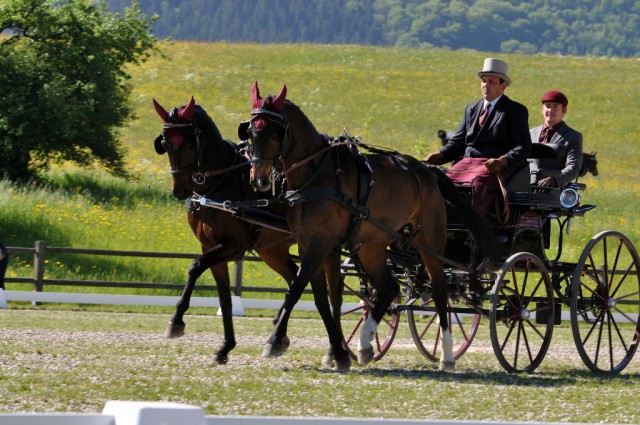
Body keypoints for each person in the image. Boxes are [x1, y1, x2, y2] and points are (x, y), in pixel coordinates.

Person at [425, 58, 531, 219]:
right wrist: (441, 155)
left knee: (476, 185)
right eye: (483, 81)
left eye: (491, 81)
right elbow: (458, 142)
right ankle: (441, 222)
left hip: (494, 165)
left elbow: (523, 146)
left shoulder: (514, 110)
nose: (485, 85)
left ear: (503, 86)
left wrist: (502, 161)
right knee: (443, 183)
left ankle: (473, 225)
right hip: (468, 163)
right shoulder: (471, 109)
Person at [529, 90, 583, 187]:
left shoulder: (573, 136)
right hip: (524, 188)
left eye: (555, 106)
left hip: (553, 191)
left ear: (564, 110)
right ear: (542, 109)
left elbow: (573, 166)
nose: (550, 110)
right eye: (548, 106)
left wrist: (554, 179)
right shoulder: (530, 133)